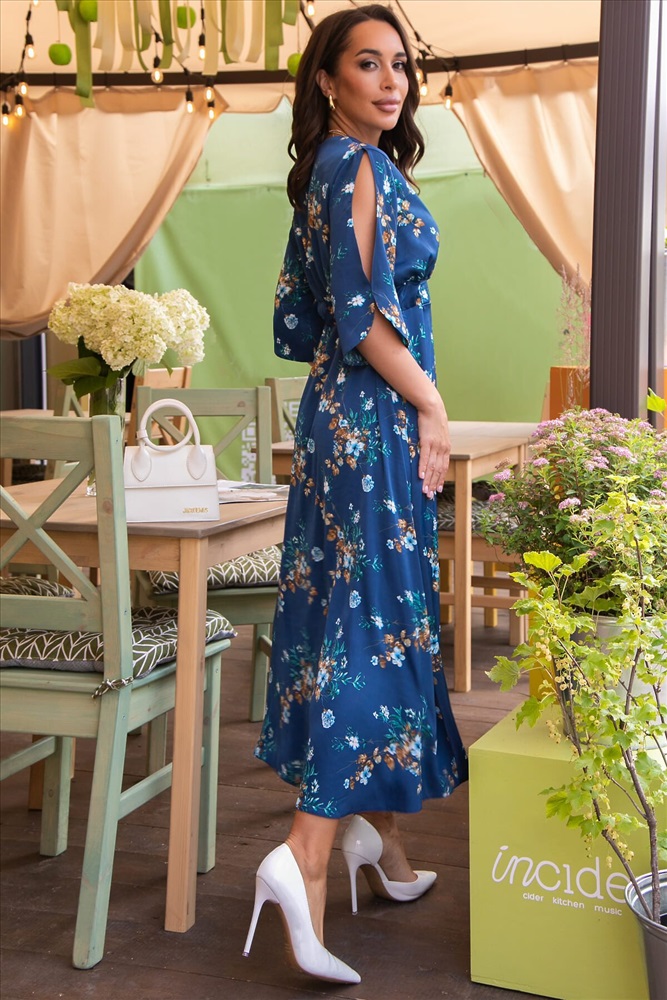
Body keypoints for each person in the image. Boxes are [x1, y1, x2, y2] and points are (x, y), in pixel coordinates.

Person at [243, 4, 468, 985]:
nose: (390, 80)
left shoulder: (336, 168)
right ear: (327, 80)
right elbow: (360, 316)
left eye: (399, 65)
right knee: (369, 622)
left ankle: (384, 847)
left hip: (342, 416)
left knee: (363, 611)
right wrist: (431, 403)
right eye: (367, 64)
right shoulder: (358, 168)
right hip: (371, 415)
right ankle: (305, 853)